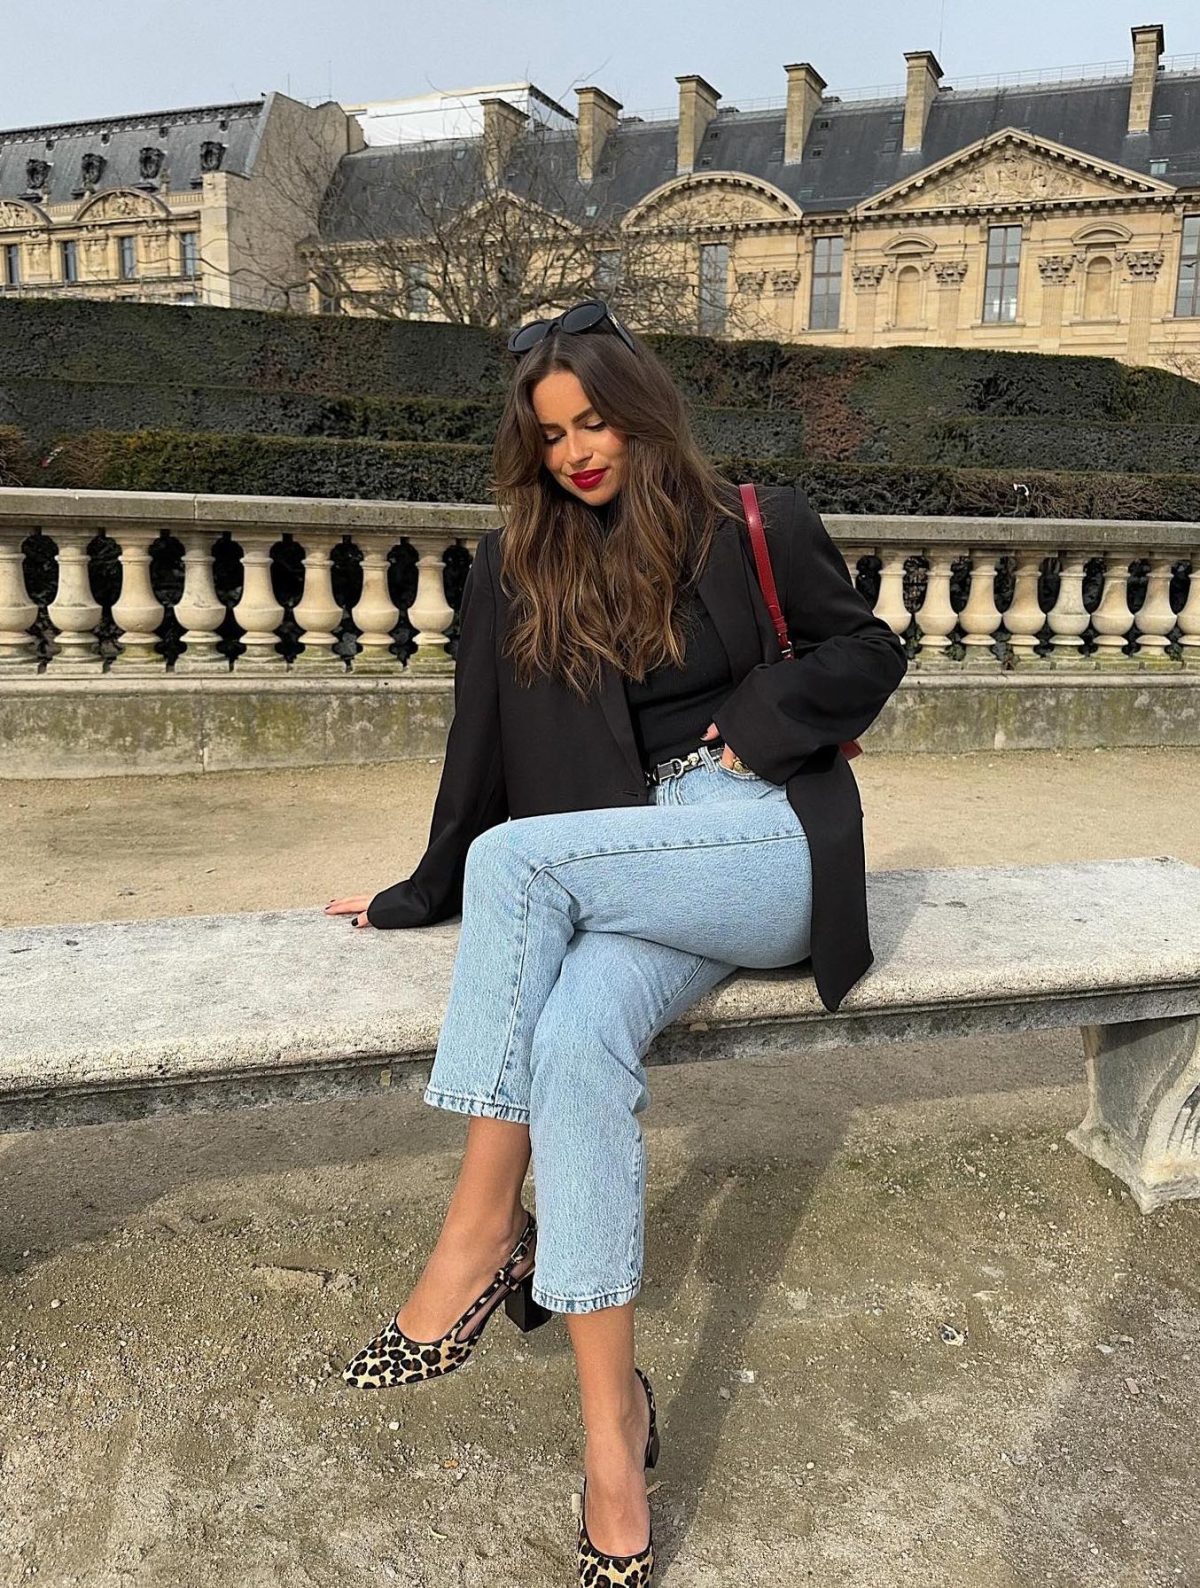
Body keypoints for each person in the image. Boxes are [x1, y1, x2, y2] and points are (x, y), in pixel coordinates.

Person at [325, 299, 908, 1585]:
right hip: (632, 861)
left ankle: (475, 1241)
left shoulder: (758, 522)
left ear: (640, 411)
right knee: (577, 1040)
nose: (578, 451)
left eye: (594, 421)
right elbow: (477, 746)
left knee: (517, 863)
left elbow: (873, 643)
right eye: (552, 435)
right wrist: (419, 887)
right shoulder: (523, 563)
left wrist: (762, 721)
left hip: (762, 846)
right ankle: (612, 1441)